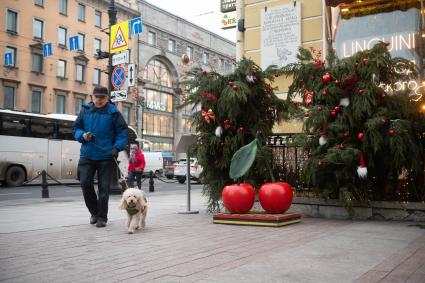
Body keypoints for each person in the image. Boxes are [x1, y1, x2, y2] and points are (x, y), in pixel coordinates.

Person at [73, 86, 128, 228]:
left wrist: (117, 148)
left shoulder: (114, 113)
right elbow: (76, 128)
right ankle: (94, 213)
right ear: (92, 97)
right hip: (87, 155)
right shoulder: (85, 110)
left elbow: (122, 133)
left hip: (106, 156)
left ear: (107, 98)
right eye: (96, 97)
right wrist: (82, 135)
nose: (99, 100)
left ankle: (102, 217)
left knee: (104, 188)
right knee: (85, 183)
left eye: (102, 97)